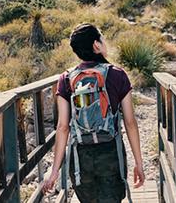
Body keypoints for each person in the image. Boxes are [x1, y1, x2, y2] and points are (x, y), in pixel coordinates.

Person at [42, 23, 145, 202]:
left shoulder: (66, 79)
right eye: (102, 38)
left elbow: (63, 127)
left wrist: (54, 171)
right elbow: (130, 122)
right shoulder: (117, 75)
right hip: (110, 154)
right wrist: (139, 162)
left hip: (81, 158)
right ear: (96, 45)